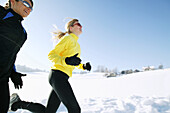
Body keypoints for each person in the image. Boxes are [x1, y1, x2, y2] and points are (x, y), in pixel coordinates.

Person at [10, 19, 91, 113]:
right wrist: (66, 60)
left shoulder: (77, 45)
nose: (81, 27)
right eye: (78, 24)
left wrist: (83, 66)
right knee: (74, 109)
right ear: (71, 27)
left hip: (62, 77)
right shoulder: (68, 38)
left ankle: (18, 103)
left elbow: (72, 62)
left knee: (49, 111)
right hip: (58, 76)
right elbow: (51, 55)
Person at [0, 0, 33, 112]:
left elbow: (12, 54)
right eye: (26, 4)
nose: (29, 9)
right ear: (13, 1)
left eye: (31, 8)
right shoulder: (2, 14)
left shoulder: (23, 33)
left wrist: (13, 72)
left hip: (2, 78)